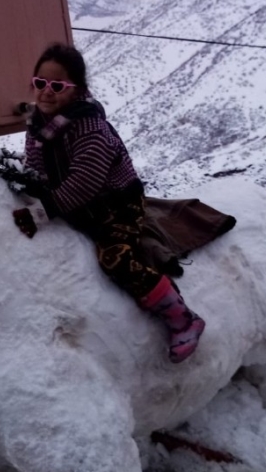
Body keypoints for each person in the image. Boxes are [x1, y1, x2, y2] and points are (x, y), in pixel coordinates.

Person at [14, 43, 205, 363]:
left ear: (78, 91)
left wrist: (41, 212)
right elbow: (35, 168)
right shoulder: (39, 127)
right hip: (76, 206)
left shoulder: (90, 129)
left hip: (116, 205)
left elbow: (84, 184)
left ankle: (182, 318)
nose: (46, 92)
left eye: (57, 86)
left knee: (115, 259)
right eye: (40, 83)